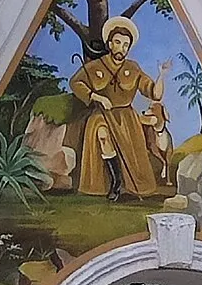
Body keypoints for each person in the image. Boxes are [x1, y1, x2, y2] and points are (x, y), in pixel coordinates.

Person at [70, 17, 174, 199]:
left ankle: (128, 185)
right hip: (102, 114)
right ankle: (116, 181)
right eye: (118, 42)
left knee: (132, 156)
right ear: (110, 44)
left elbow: (154, 93)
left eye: (126, 44)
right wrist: (96, 97)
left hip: (126, 119)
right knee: (102, 135)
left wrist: (162, 75)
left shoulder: (132, 68)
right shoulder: (95, 66)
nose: (122, 48)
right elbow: (76, 83)